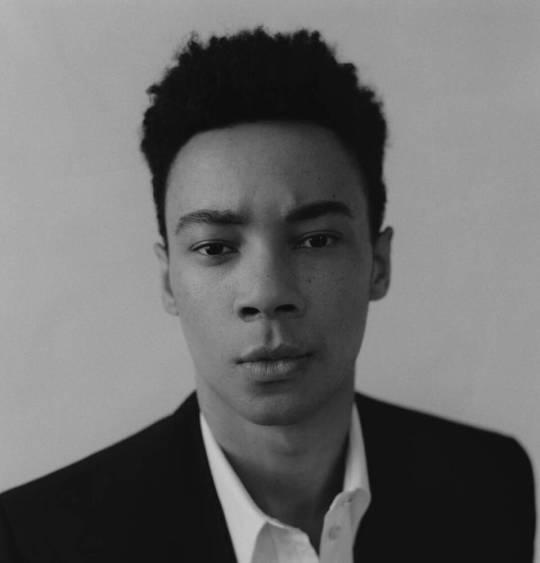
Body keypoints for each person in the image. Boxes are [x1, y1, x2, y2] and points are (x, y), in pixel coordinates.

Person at [0, 27, 535, 563]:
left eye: (316, 240)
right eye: (214, 247)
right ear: (168, 280)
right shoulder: (37, 542)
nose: (267, 293)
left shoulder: (491, 483)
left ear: (378, 264)